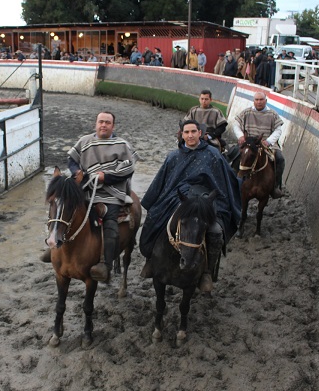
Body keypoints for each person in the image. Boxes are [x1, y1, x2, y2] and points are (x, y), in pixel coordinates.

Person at [139, 119, 241, 292]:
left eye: (193, 131)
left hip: (205, 199)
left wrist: (213, 197)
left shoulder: (213, 155)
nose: (190, 135)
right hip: (177, 197)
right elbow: (163, 182)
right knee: (155, 216)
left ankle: (207, 272)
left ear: (200, 133)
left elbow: (224, 180)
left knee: (215, 231)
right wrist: (153, 201)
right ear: (182, 134)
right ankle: (150, 259)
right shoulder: (173, 156)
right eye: (186, 132)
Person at [65, 112, 139, 283]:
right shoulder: (84, 141)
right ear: (95, 124)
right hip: (85, 188)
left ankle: (105, 263)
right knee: (64, 209)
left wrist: (106, 177)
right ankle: (57, 246)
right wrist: (77, 172)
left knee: (110, 221)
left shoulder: (122, 144)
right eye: (101, 122)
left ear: (113, 126)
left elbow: (128, 169)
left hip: (111, 192)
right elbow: (71, 159)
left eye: (107, 122)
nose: (103, 125)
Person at [232, 92, 285, 199]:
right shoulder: (246, 112)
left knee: (280, 159)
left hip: (267, 144)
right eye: (256, 100)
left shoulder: (272, 114)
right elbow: (236, 124)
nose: (259, 102)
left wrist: (269, 141)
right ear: (253, 100)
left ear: (266, 101)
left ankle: (275, 186)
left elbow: (278, 130)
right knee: (234, 155)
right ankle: (233, 182)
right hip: (248, 143)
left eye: (261, 100)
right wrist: (240, 136)